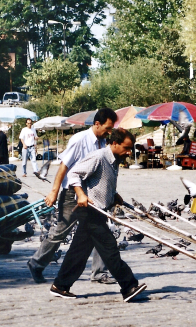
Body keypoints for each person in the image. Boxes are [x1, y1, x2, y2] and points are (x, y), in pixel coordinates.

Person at [50, 128, 147, 302]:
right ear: (115, 143)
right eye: (126, 148)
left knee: (78, 252)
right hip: (90, 211)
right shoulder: (99, 156)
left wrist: (113, 195)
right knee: (109, 247)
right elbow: (73, 173)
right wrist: (80, 194)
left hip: (100, 210)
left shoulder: (115, 160)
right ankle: (129, 286)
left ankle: (60, 285)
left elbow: (102, 181)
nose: (128, 152)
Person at [28, 108, 118, 284]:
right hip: (72, 193)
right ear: (97, 124)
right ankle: (36, 263)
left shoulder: (102, 143)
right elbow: (64, 167)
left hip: (93, 195)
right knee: (60, 232)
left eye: (111, 129)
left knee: (100, 230)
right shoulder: (79, 140)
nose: (109, 132)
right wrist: (54, 191)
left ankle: (99, 272)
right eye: (107, 128)